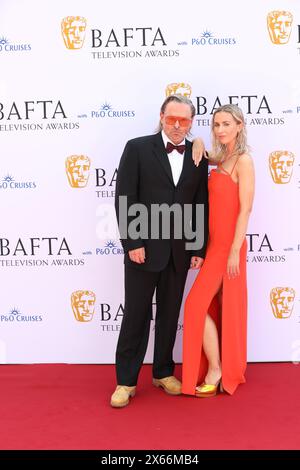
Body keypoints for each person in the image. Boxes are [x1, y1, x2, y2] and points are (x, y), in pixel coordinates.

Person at [111, 94, 208, 407]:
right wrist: (133, 242)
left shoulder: (198, 155)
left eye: (184, 120)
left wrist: (196, 245)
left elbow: (198, 204)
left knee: (169, 314)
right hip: (144, 248)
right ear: (161, 117)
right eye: (172, 119)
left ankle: (163, 372)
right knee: (137, 316)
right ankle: (125, 381)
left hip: (179, 250)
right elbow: (125, 196)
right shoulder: (137, 147)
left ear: (191, 122)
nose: (178, 126)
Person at [182, 104, 255, 397]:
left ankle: (217, 369)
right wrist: (198, 140)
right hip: (214, 246)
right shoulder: (223, 157)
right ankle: (218, 365)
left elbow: (245, 209)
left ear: (239, 125)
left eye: (226, 124)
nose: (220, 129)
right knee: (198, 307)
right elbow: (206, 155)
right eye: (216, 125)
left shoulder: (244, 161)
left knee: (197, 306)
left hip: (229, 248)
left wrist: (235, 249)